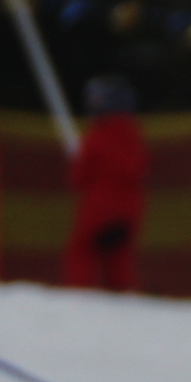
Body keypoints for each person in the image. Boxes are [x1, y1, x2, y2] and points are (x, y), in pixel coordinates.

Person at [65, 74, 150, 293]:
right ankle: (123, 295)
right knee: (119, 257)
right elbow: (140, 168)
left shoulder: (96, 137)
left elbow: (79, 178)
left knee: (83, 251)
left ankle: (78, 295)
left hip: (98, 210)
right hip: (129, 211)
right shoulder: (134, 136)